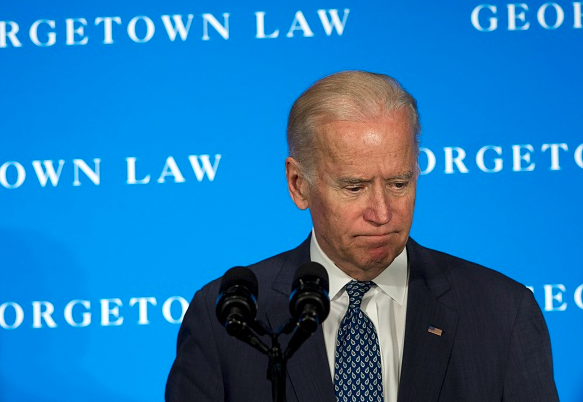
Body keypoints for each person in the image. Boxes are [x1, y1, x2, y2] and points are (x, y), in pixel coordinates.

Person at [165, 71, 559, 402]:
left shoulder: (502, 314)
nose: (383, 213)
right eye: (354, 187)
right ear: (299, 184)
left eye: (399, 183)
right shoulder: (227, 322)